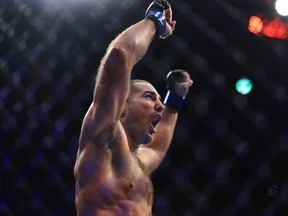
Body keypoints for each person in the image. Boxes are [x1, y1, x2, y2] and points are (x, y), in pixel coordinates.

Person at [73, 0, 193, 215]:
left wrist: (174, 99)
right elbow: (119, 54)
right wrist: (155, 21)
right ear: (123, 108)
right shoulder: (104, 137)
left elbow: (156, 149)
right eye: (149, 97)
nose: (160, 106)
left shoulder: (135, 161)